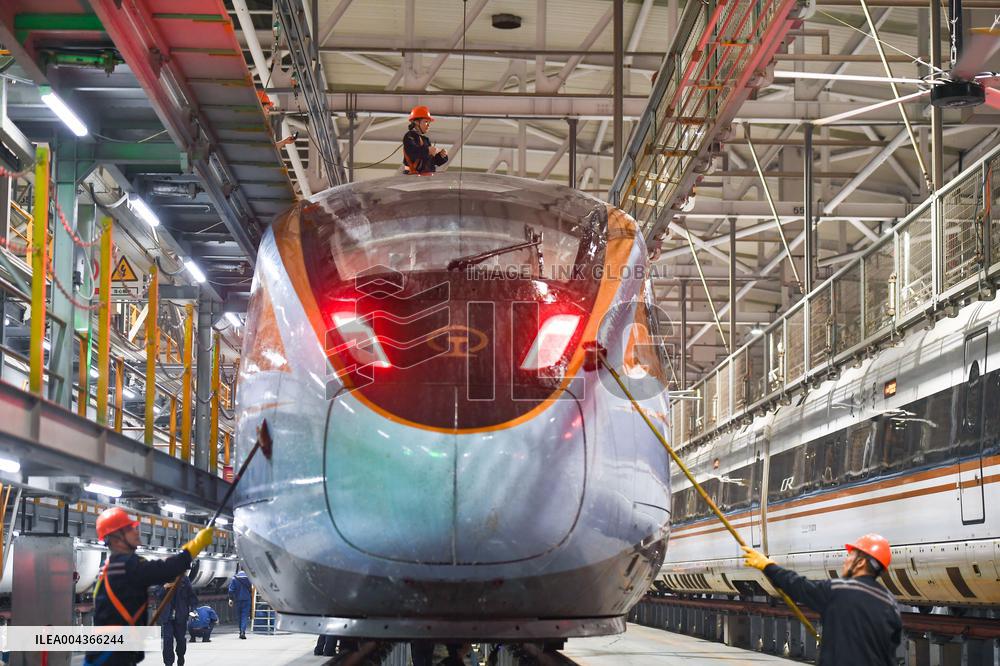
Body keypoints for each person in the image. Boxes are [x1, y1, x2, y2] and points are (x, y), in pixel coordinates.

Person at [741, 533, 902, 665]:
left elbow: (798, 586)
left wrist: (768, 566)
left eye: (850, 556)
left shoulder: (838, 590)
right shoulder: (890, 604)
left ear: (860, 563)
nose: (845, 561)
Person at [85, 507, 213, 666]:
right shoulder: (126, 567)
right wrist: (196, 544)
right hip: (112, 654)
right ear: (116, 538)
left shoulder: (112, 566)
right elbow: (166, 569)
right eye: (130, 529)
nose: (137, 532)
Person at [151, 576, 197, 666]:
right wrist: (165, 587)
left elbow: (192, 597)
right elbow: (157, 594)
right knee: (167, 641)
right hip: (167, 617)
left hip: (180, 616)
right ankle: (168, 663)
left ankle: (180, 656)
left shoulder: (184, 580)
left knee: (180, 640)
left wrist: (193, 610)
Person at [402, 106, 448, 175]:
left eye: (429, 122)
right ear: (417, 122)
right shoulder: (410, 136)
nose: (428, 125)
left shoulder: (425, 140)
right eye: (426, 122)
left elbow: (431, 161)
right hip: (413, 177)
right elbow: (413, 152)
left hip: (425, 176)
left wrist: (441, 156)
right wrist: (428, 150)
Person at [227, 569, 254, 639]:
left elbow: (231, 590)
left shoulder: (234, 578)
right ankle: (242, 631)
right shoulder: (249, 578)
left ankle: (240, 631)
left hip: (237, 600)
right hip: (247, 599)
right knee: (244, 616)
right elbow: (252, 587)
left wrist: (231, 599)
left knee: (239, 616)